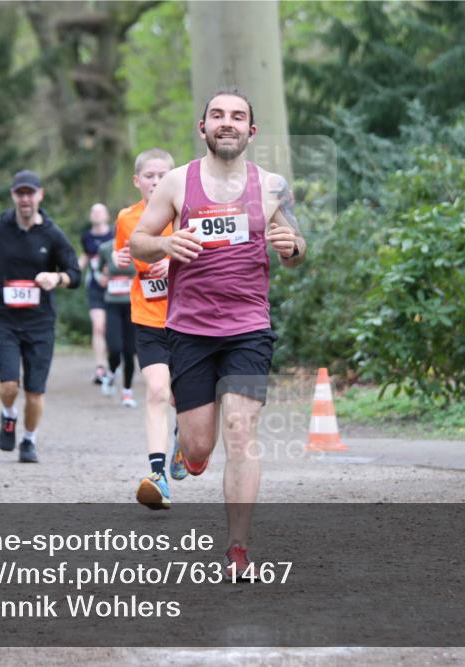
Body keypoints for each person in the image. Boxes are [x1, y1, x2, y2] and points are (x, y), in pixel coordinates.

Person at [130, 88, 306, 576]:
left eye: (237, 116)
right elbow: (140, 243)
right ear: (202, 127)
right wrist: (167, 242)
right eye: (217, 115)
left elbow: (295, 249)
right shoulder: (175, 182)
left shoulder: (271, 186)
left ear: (251, 131)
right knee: (201, 444)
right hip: (189, 331)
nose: (227, 123)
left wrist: (290, 245)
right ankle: (190, 454)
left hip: (249, 329)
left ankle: (237, 548)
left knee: (241, 431)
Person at [0, 170, 80, 463]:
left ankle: (29, 440)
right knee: (9, 384)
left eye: (30, 193)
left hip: (40, 321)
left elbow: (75, 274)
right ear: (13, 195)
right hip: (3, 318)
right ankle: (8, 416)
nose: (25, 199)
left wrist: (56, 279)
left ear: (39, 195)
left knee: (34, 393)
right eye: (20, 193)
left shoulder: (52, 234)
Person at [113, 148, 177, 511]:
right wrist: (117, 257)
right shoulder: (127, 217)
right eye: (149, 176)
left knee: (180, 399)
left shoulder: (186, 214)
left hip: (189, 321)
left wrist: (174, 266)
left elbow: (208, 257)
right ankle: (158, 476)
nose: (155, 181)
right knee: (155, 391)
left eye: (162, 175)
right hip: (148, 317)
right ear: (137, 181)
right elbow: (122, 251)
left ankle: (186, 438)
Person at [97, 238, 138, 407]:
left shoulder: (140, 245)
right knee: (114, 349)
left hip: (133, 305)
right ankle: (112, 373)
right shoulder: (106, 248)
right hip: (113, 305)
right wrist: (103, 277)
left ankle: (127, 392)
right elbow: (100, 271)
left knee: (130, 351)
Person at [79, 203, 114, 384]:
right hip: (94, 288)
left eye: (100, 211)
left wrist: (110, 274)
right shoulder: (86, 237)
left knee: (112, 329)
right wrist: (70, 274)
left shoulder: (114, 234)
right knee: (99, 326)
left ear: (107, 215)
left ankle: (113, 364)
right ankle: (100, 367)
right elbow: (84, 258)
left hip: (116, 290)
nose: (97, 214)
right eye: (93, 211)